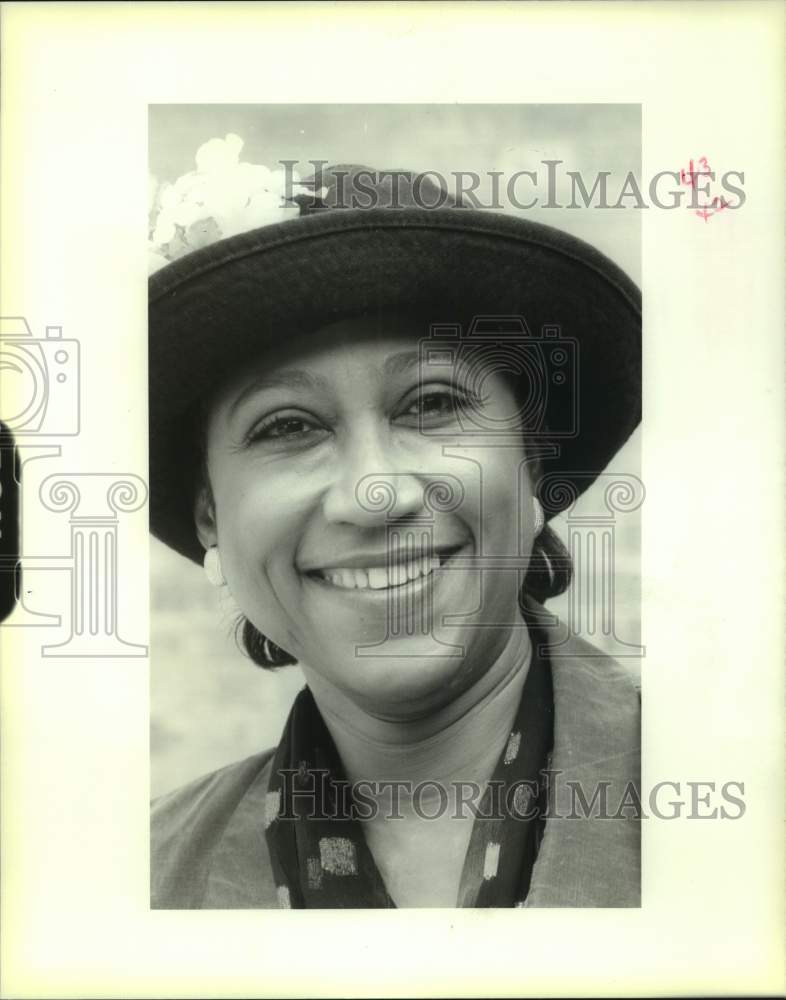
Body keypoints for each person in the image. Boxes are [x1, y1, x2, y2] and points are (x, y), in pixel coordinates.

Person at [148, 137, 642, 909]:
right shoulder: (139, 885)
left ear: (533, 462)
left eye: (432, 404)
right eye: (287, 427)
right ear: (211, 513)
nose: (373, 492)